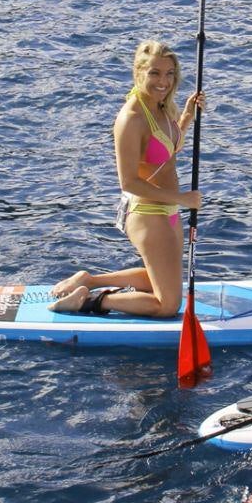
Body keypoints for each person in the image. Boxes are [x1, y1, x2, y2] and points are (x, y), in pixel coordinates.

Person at [49, 39, 205, 317]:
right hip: (147, 212)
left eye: (170, 74)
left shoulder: (161, 106)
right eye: (155, 73)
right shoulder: (131, 118)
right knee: (168, 306)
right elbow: (129, 182)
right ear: (139, 72)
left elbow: (169, 148)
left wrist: (186, 115)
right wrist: (182, 199)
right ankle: (91, 300)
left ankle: (88, 280)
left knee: (159, 279)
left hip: (168, 211)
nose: (164, 81)